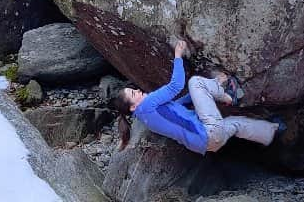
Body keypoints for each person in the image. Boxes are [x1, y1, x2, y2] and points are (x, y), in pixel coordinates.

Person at [112, 39, 283, 154]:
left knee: (236, 124)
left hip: (207, 144)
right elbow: (175, 86)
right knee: (195, 82)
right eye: (134, 94)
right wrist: (177, 56)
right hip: (208, 130)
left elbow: (174, 107)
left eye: (134, 89)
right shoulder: (148, 103)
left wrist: (191, 98)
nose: (139, 91)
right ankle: (227, 93)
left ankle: (273, 131)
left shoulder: (145, 117)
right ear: (133, 107)